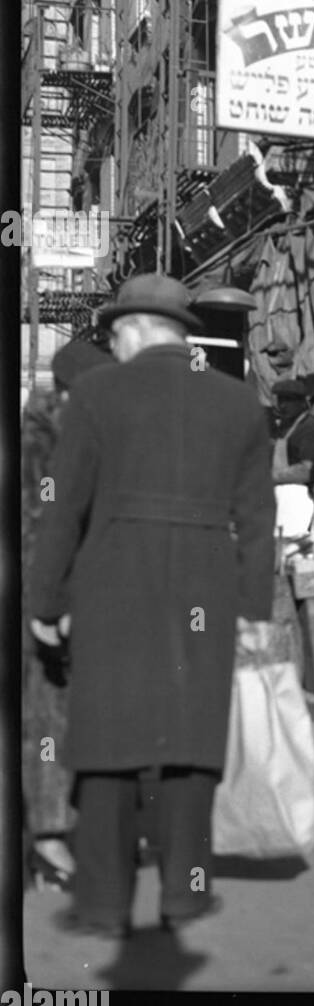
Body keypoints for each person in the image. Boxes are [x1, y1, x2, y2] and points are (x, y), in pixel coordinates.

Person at [29, 273, 275, 939]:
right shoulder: (237, 403)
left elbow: (63, 507)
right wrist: (256, 611)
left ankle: (105, 904)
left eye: (112, 333)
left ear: (135, 330)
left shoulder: (97, 394)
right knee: (190, 742)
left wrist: (44, 599)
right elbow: (258, 520)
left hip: (112, 581)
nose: (111, 344)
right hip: (206, 585)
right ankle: (184, 896)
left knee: (107, 740)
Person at [22, 339, 110, 889]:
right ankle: (49, 838)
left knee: (59, 716)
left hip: (64, 598)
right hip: (40, 603)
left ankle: (54, 833)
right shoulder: (41, 444)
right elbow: (40, 530)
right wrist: (51, 605)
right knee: (45, 717)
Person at [271, 378, 314, 496]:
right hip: (280, 494)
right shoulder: (284, 426)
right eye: (281, 400)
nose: (283, 405)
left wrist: (270, 476)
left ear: (301, 403)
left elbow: (305, 472)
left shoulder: (309, 428)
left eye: (288, 400)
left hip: (298, 498)